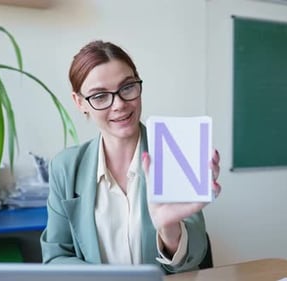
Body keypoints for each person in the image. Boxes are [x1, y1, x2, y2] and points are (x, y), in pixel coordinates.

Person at [40, 40, 222, 274]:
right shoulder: (65, 167)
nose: (119, 105)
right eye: (100, 96)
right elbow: (56, 258)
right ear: (80, 103)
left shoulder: (173, 152)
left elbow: (196, 254)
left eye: (127, 88)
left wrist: (168, 229)